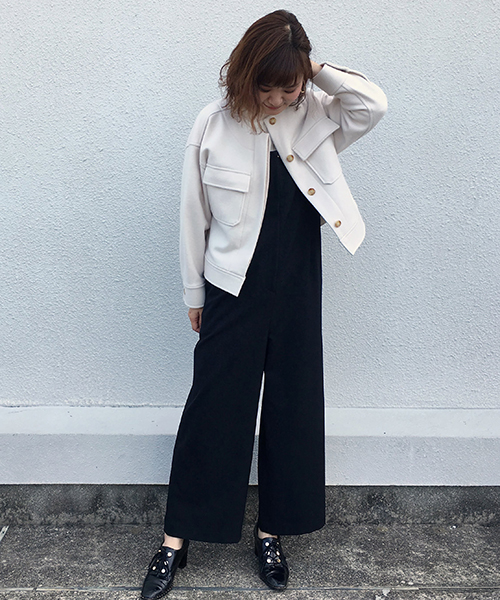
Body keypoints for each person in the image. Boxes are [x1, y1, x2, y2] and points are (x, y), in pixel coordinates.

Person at [140, 9, 387, 599]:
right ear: (244, 75)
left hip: (298, 277)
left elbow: (372, 105)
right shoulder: (213, 123)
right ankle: (175, 540)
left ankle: (271, 533)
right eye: (265, 86)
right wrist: (195, 293)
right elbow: (193, 214)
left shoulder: (317, 111)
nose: (276, 99)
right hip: (232, 284)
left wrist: (313, 70)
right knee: (213, 408)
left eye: (287, 86)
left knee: (292, 406)